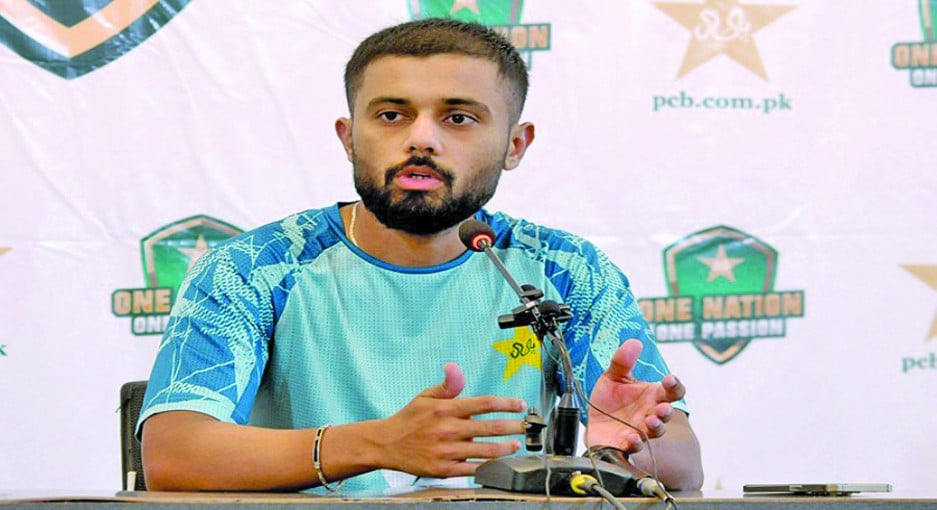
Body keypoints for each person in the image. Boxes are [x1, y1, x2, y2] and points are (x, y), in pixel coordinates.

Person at [139, 18, 703, 493]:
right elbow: (174, 455)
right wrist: (379, 443)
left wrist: (614, 448)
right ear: (348, 137)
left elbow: (682, 465)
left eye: (459, 117)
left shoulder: (568, 269)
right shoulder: (253, 268)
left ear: (515, 144)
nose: (422, 139)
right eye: (392, 115)